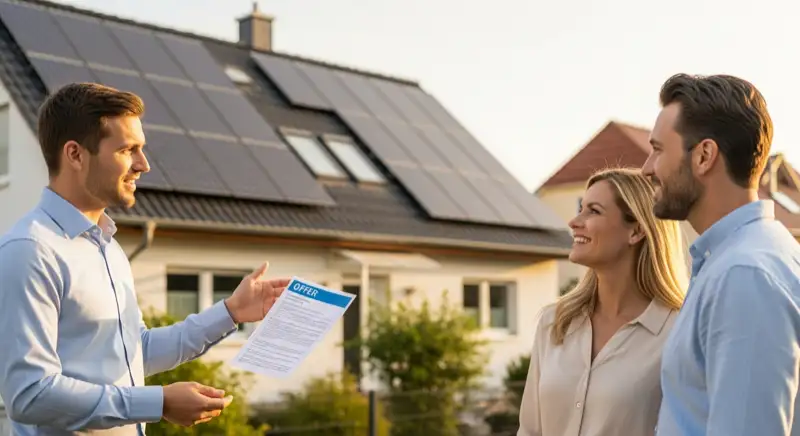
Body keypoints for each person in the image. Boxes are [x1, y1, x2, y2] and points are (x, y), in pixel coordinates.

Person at [0, 82, 290, 435]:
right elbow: (30, 394)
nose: (144, 165)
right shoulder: (30, 251)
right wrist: (159, 402)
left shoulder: (108, 248)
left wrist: (231, 313)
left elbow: (134, 352)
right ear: (75, 154)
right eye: (128, 149)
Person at [643, 73, 800, 436]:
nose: (647, 167)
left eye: (658, 150)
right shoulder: (738, 260)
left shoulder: (744, 275)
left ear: (704, 156)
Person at [517, 167, 689, 436]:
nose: (574, 221)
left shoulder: (678, 332)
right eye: (580, 208)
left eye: (593, 211)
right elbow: (529, 430)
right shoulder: (555, 322)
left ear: (636, 231)